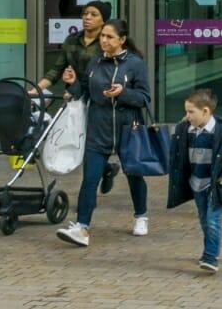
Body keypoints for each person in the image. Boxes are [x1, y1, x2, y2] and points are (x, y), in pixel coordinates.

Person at [56, 19, 152, 247]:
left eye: (109, 37)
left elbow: (144, 98)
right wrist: (71, 85)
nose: (104, 41)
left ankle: (141, 216)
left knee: (134, 174)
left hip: (128, 128)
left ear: (122, 40)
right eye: (102, 37)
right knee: (90, 179)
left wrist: (123, 93)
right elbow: (83, 91)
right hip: (98, 128)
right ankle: (82, 227)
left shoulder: (135, 64)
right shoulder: (94, 62)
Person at [166, 88, 222, 273]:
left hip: (214, 184)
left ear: (206, 111)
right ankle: (208, 250)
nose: (187, 116)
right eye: (187, 111)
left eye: (191, 112)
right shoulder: (184, 130)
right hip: (196, 183)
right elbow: (177, 153)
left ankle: (211, 256)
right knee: (204, 218)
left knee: (212, 219)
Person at [37, 0, 109, 94]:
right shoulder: (72, 39)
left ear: (103, 20)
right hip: (73, 95)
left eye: (94, 15)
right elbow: (56, 71)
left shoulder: (107, 42)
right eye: (85, 14)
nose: (87, 17)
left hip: (99, 96)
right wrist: (36, 90)